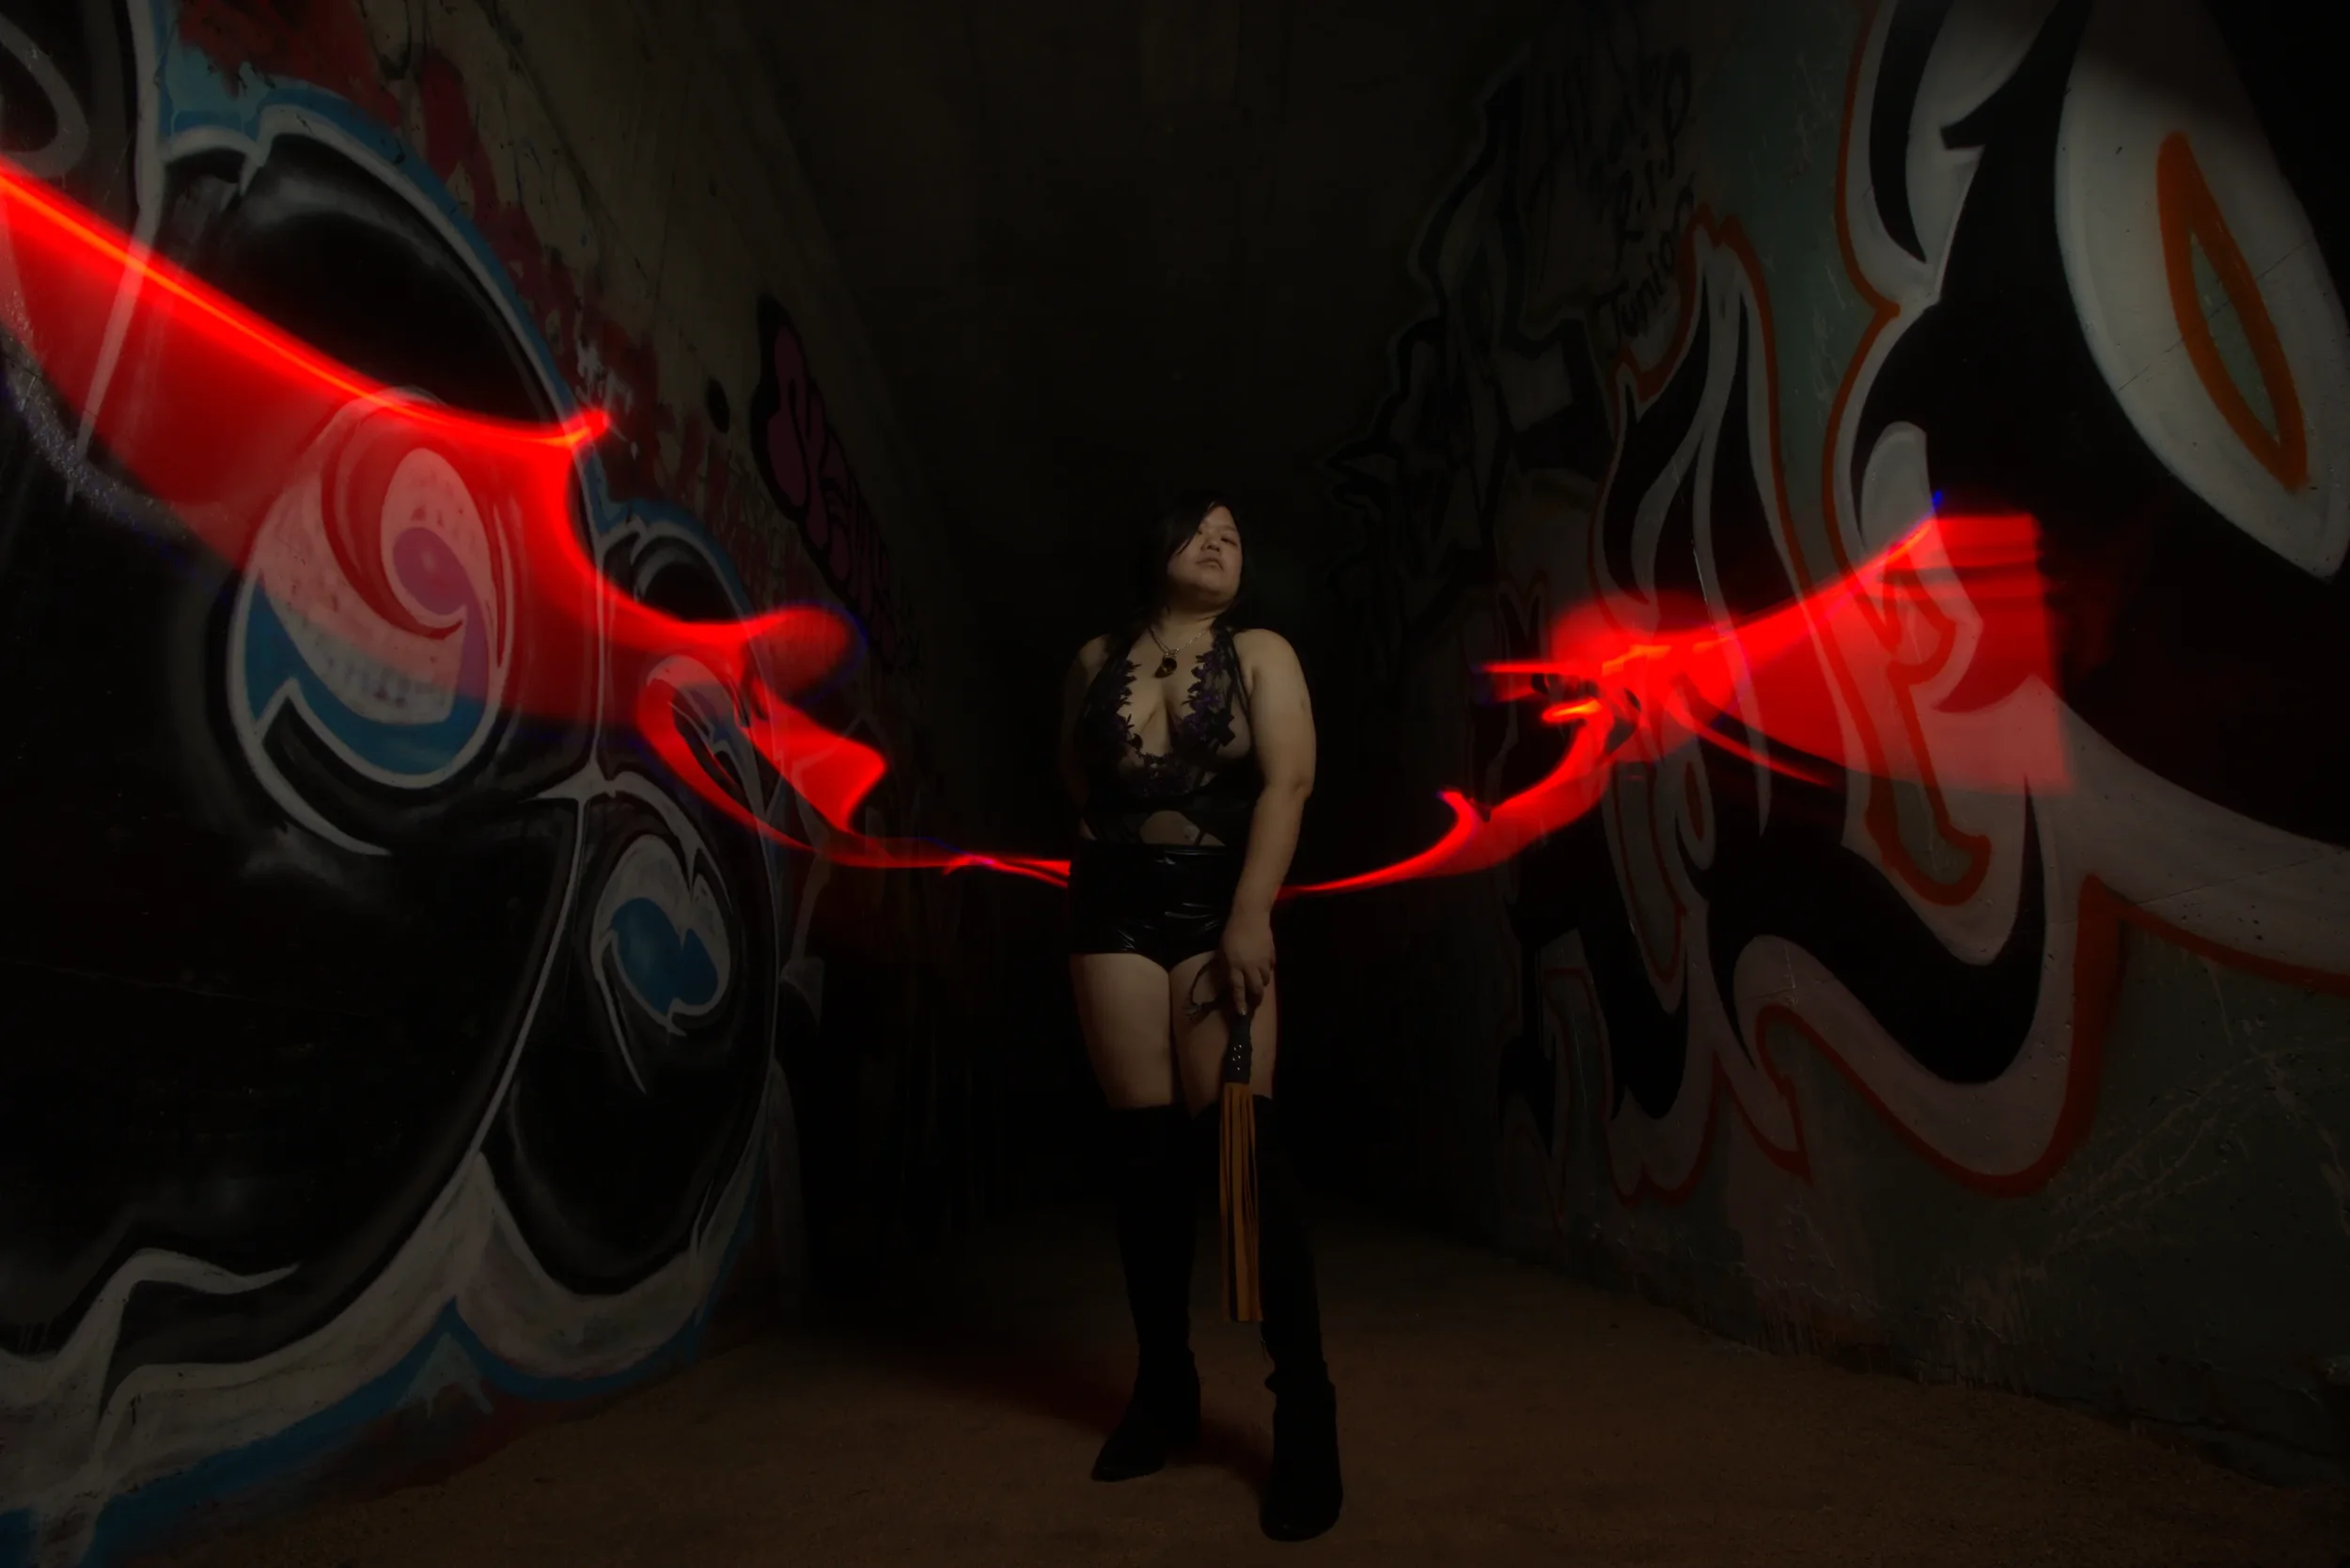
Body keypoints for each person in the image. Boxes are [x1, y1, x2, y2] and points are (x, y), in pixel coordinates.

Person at [1058, 491, 1340, 1542]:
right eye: (1201, 529)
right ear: (1155, 544)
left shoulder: (1261, 648)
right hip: (1109, 905)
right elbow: (1072, 775)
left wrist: (1251, 915)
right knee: (1142, 1161)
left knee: (1244, 1152)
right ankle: (1162, 1387)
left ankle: (1304, 1412)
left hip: (1221, 899)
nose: (1224, 543)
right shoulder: (1094, 658)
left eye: (1235, 535)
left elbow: (1289, 780)